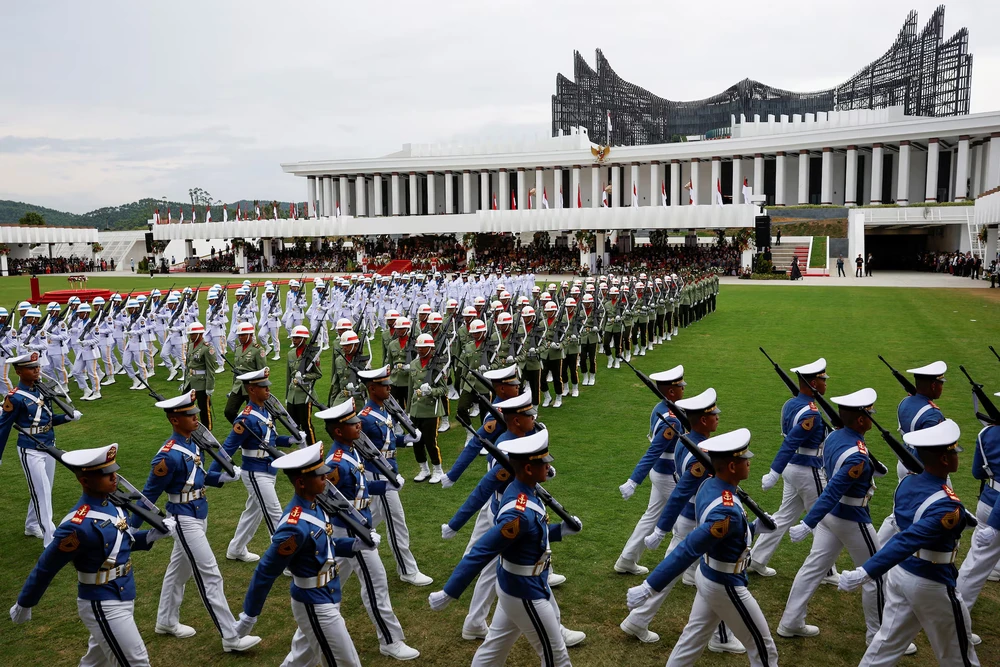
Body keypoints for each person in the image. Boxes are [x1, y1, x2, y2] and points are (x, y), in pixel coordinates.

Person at [429, 429, 583, 666]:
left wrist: (560, 530)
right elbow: (482, 551)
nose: (548, 467)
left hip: (519, 585)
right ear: (529, 469)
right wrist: (449, 592)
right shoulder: (517, 512)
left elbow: (532, 534)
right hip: (525, 591)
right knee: (557, 657)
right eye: (544, 462)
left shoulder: (525, 491)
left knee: (492, 651)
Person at [626, 428, 780, 666]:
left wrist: (753, 527)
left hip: (709, 574)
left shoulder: (712, 487)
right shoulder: (725, 508)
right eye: (745, 459)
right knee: (764, 649)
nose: (749, 462)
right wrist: (649, 587)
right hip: (725, 582)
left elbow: (728, 533)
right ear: (731, 467)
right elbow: (687, 549)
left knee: (691, 641)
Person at [9, 444, 172, 666]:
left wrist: (150, 537)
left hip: (122, 592)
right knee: (137, 662)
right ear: (85, 481)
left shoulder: (113, 504)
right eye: (106, 475)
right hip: (102, 601)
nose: (115, 478)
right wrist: (24, 603)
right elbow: (46, 566)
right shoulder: (76, 526)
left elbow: (115, 544)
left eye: (114, 472)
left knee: (95, 663)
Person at [778, 388, 911, 652]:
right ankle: (879, 638)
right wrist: (807, 523)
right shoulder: (857, 455)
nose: (872, 418)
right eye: (869, 414)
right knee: (877, 574)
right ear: (861, 419)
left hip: (831, 516)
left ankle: (790, 621)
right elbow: (834, 489)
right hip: (851, 516)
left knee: (813, 567)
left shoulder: (836, 436)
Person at [842, 419, 981, 666]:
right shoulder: (948, 505)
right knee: (959, 655)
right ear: (945, 460)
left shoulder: (908, 483)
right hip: (933, 580)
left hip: (901, 574)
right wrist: (865, 572)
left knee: (885, 646)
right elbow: (908, 539)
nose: (957, 457)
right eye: (953, 453)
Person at [130, 390, 260, 652]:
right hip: (183, 518)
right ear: (174, 420)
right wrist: (132, 527)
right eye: (190, 415)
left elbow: (196, 478)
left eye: (195, 413)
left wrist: (222, 477)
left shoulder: (192, 442)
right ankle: (230, 636)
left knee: (178, 571)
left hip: (199, 512)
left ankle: (166, 620)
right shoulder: (167, 456)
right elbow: (149, 493)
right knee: (210, 574)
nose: (196, 418)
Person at [621, 388, 744, 653]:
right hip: (694, 519)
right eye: (713, 415)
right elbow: (679, 493)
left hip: (690, 518)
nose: (717, 418)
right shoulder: (699, 452)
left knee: (689, 573)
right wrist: (661, 529)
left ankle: (639, 619)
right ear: (702, 420)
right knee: (715, 575)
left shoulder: (688, 441)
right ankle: (720, 637)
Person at [236, 443, 370, 666]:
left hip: (328, 593)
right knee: (347, 662)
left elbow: (323, 544)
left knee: (300, 660)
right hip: (314, 602)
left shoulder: (315, 504)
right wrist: (249, 616)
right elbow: (265, 572)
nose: (326, 480)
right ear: (301, 482)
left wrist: (354, 545)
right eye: (319, 477)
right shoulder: (293, 526)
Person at [316, 400, 420, 660]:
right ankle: (389, 640)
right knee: (376, 584)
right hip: (351, 532)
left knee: (329, 584)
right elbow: (335, 505)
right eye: (352, 424)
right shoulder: (335, 463)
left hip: (357, 528)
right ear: (339, 431)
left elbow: (359, 491)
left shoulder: (352, 451)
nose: (358, 425)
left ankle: (313, 628)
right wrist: (360, 532)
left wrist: (386, 487)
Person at [750, 359, 838, 584]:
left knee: (784, 515)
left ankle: (756, 559)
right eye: (823, 380)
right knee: (823, 519)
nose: (826, 383)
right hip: (808, 470)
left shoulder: (791, 404)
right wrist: (773, 472)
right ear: (814, 383)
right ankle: (827, 572)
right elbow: (790, 442)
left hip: (793, 469)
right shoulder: (811, 413)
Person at [210, 368, 304, 562]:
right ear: (252, 390)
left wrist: (292, 440)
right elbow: (227, 447)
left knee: (254, 511)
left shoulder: (265, 410)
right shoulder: (245, 418)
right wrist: (213, 475)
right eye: (263, 387)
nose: (268, 390)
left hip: (269, 469)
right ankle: (286, 561)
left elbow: (271, 439)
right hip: (255, 472)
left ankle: (235, 549)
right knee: (275, 514)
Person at [358, 365, 433, 587]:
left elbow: (386, 442)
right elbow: (364, 451)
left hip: (389, 470)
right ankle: (407, 570)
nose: (389, 387)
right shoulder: (365, 418)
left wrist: (407, 440)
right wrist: (387, 476)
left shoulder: (383, 410)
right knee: (396, 523)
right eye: (384, 385)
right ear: (372, 389)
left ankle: (342, 548)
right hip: (380, 476)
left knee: (367, 520)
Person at [0, 351, 82, 546]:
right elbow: (3, 427)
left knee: (44, 489)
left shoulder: (42, 389)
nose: (37, 370)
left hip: (48, 444)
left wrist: (67, 418)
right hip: (30, 449)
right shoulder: (15, 397)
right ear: (19, 371)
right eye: (31, 368)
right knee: (42, 491)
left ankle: (32, 525)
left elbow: (48, 420)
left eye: (37, 366)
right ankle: (50, 539)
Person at [616, 365, 686, 582]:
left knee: (650, 518)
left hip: (662, 474)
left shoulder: (661, 408)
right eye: (680, 387)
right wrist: (633, 481)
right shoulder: (672, 419)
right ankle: (679, 571)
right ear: (671, 392)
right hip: (668, 475)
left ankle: (626, 559)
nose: (684, 389)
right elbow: (654, 451)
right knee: (685, 522)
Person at [406, 332, 448, 483]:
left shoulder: (437, 366)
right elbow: (411, 389)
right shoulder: (413, 365)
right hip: (416, 409)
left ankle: (438, 469)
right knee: (416, 441)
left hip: (431, 410)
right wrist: (408, 410)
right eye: (419, 347)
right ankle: (423, 469)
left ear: (431, 349)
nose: (420, 350)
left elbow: (444, 390)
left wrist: (431, 392)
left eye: (424, 348)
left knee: (430, 442)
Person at [223, 322, 267, 424]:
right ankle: (242, 428)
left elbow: (262, 372)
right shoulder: (238, 349)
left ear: (250, 335)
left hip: (252, 387)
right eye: (239, 335)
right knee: (229, 411)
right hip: (238, 386)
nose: (240, 337)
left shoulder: (258, 350)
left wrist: (261, 390)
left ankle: (255, 433)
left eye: (243, 335)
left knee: (254, 414)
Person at [286, 324, 321, 445]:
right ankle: (302, 447)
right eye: (293, 337)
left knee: (306, 425)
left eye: (297, 337)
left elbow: (318, 374)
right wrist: (287, 396)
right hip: (292, 395)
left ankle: (313, 446)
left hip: (305, 395)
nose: (294, 340)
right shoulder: (291, 353)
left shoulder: (312, 354)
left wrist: (304, 376)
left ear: (304, 339)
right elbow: (288, 376)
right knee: (293, 424)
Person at [182, 321, 215, 429]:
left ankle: (208, 433)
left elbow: (210, 369)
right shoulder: (190, 345)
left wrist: (209, 387)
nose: (191, 336)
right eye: (190, 334)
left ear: (200, 334)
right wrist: (185, 381)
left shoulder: (207, 348)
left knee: (204, 410)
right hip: (190, 381)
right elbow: (188, 365)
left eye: (193, 334)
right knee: (184, 406)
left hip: (201, 383)